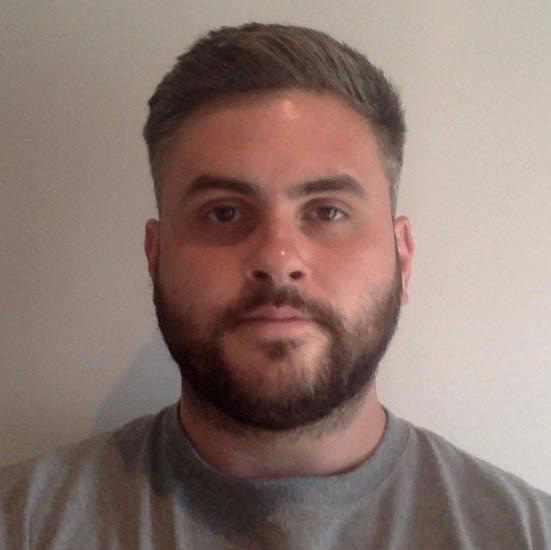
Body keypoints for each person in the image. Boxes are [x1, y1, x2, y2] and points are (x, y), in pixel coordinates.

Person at [1, 22, 550, 549]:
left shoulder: (526, 534)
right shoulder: (22, 524)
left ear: (402, 257)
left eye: (328, 212)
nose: (277, 259)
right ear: (155, 255)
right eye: (223, 212)